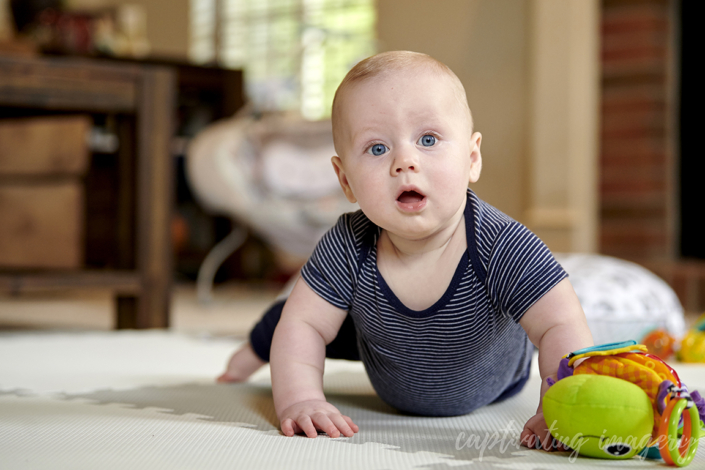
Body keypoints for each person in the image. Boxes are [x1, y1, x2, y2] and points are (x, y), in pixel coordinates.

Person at [218, 50, 593, 450]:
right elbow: (304, 327)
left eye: (428, 140)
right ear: (346, 181)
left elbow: (561, 324)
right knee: (295, 318)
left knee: (557, 324)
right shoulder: (347, 245)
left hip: (492, 378)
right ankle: (249, 352)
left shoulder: (503, 245)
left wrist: (559, 407)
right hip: (384, 344)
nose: (405, 162)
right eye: (377, 149)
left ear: (471, 158)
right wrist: (301, 400)